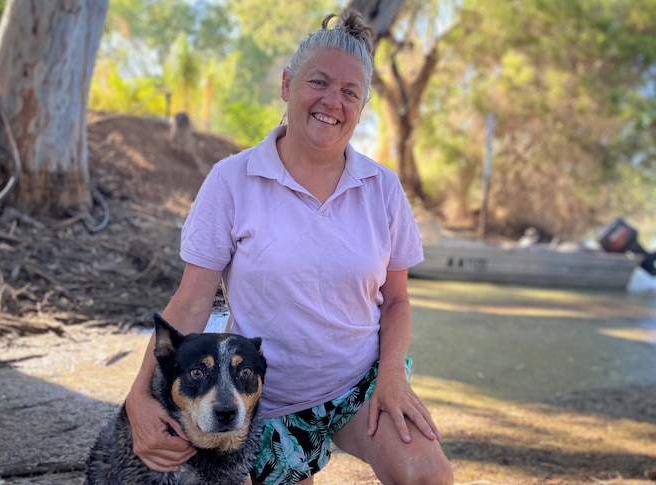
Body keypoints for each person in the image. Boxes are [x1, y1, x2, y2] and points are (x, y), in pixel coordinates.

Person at [124, 10, 454, 485]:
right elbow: (192, 301)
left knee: (429, 475)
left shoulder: (382, 188)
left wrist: (392, 379)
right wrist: (140, 396)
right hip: (265, 403)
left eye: (350, 92)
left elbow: (397, 299)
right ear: (287, 85)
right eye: (319, 82)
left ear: (361, 107)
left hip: (362, 385)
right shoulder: (232, 181)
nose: (332, 101)